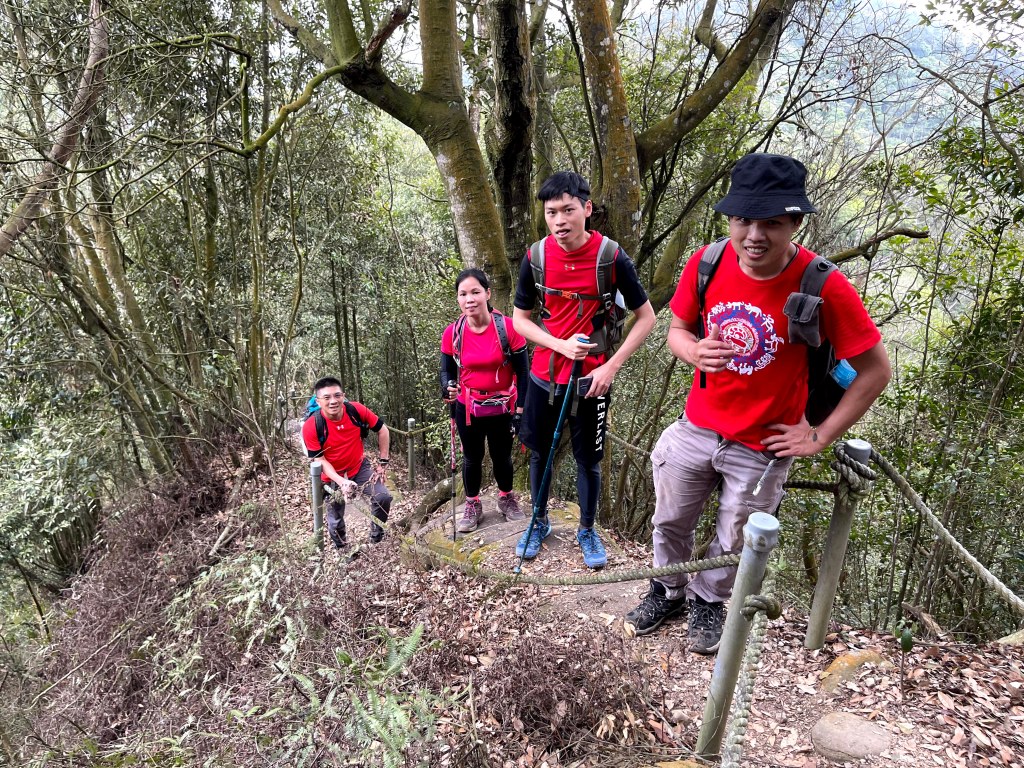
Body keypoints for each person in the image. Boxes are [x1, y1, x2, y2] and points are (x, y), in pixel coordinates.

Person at [624, 153, 892, 653]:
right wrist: (693, 351)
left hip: (764, 444)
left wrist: (819, 435)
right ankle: (667, 590)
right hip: (696, 426)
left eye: (771, 222)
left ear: (795, 223)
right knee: (669, 521)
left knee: (735, 539)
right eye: (743, 219)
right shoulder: (707, 262)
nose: (753, 235)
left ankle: (709, 601)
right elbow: (677, 329)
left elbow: (876, 370)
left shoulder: (823, 283)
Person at [512, 171, 657, 568]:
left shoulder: (611, 257)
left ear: (587, 208)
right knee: (539, 453)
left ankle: (587, 530)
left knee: (589, 459)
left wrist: (611, 367)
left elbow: (646, 317)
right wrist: (559, 345)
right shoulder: (536, 258)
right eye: (551, 212)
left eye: (568, 210)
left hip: (593, 380)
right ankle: (538, 522)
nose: (560, 221)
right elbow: (520, 320)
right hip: (544, 376)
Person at [440, 268, 531, 531]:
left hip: (503, 406)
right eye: (463, 294)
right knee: (472, 457)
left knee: (502, 456)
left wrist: (520, 411)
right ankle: (472, 504)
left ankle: (506, 498)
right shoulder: (453, 333)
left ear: (488, 293)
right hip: (468, 407)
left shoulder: (509, 328)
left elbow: (523, 372)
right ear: (458, 299)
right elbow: (446, 370)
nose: (469, 299)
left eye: (475, 292)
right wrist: (447, 387)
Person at [302, 376, 393, 549]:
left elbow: (383, 430)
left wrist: (383, 463)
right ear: (318, 401)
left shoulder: (355, 410)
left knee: (383, 497)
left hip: (358, 466)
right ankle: (343, 549)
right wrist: (341, 481)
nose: (333, 401)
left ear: (343, 396)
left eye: (337, 395)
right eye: (327, 397)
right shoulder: (312, 426)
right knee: (335, 520)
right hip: (330, 476)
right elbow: (320, 460)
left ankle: (377, 536)